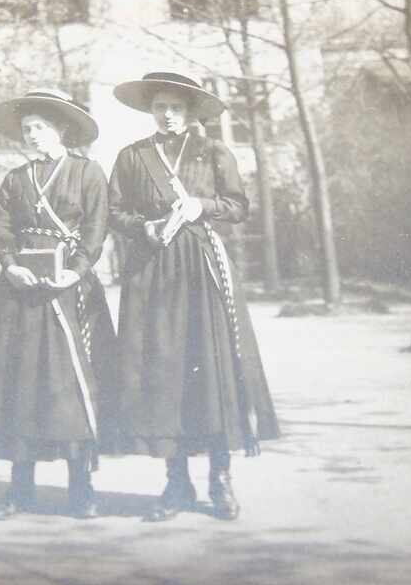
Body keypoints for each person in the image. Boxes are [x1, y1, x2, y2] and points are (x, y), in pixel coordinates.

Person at [104, 71, 280, 522]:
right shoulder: (132, 156)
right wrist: (143, 227)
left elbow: (238, 206)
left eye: (176, 108)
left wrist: (203, 206)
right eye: (160, 107)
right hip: (153, 268)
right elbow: (114, 212)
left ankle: (220, 479)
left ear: (189, 111)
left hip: (201, 266)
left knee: (210, 368)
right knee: (163, 372)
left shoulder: (213, 151)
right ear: (150, 110)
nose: (167, 114)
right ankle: (176, 481)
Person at [0, 88, 116, 520]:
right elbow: (2, 231)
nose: (32, 135)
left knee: (71, 386)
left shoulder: (88, 173)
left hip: (70, 289)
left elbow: (96, 229)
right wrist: (10, 266)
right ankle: (19, 488)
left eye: (40, 127)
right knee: (20, 386)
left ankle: (81, 488)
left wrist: (75, 270)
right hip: (21, 293)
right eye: (27, 129)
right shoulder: (15, 179)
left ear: (61, 128)